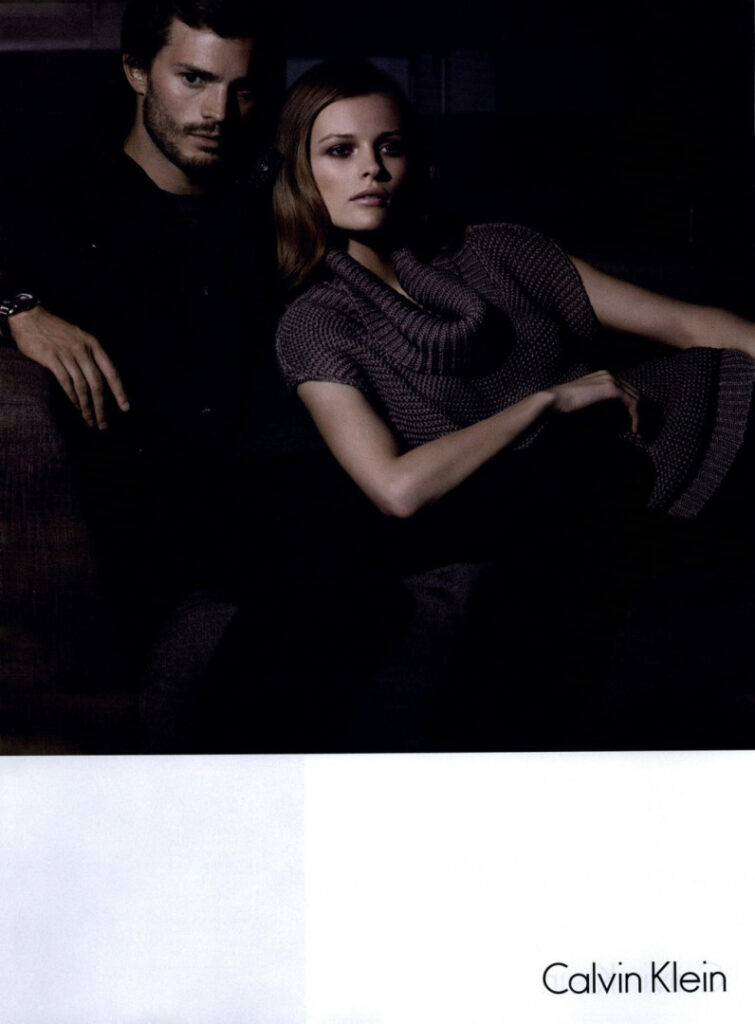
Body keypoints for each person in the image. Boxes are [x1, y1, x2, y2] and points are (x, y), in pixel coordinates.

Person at [273, 58, 755, 747]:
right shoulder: (317, 326)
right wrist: (546, 402)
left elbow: (687, 323)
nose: (371, 169)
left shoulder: (498, 251)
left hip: (685, 427)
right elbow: (396, 489)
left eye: (389, 146)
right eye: (340, 151)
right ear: (300, 170)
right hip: (569, 510)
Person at [0, 0, 293, 749]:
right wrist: (17, 308)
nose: (218, 112)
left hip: (267, 514)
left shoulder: (272, 202)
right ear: (136, 71)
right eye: (193, 78)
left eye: (241, 87)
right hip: (135, 545)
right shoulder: (62, 199)